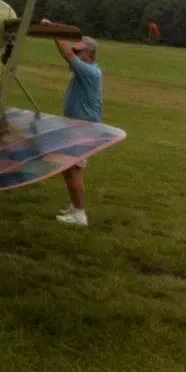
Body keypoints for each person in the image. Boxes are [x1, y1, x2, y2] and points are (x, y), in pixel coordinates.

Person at [43, 20, 103, 227]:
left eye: (79, 51)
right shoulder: (85, 68)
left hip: (84, 128)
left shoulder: (90, 72)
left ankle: (79, 214)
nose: (75, 54)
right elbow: (66, 54)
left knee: (73, 169)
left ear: (88, 53)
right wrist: (54, 32)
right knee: (68, 168)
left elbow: (67, 53)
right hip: (76, 126)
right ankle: (74, 206)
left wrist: (53, 30)